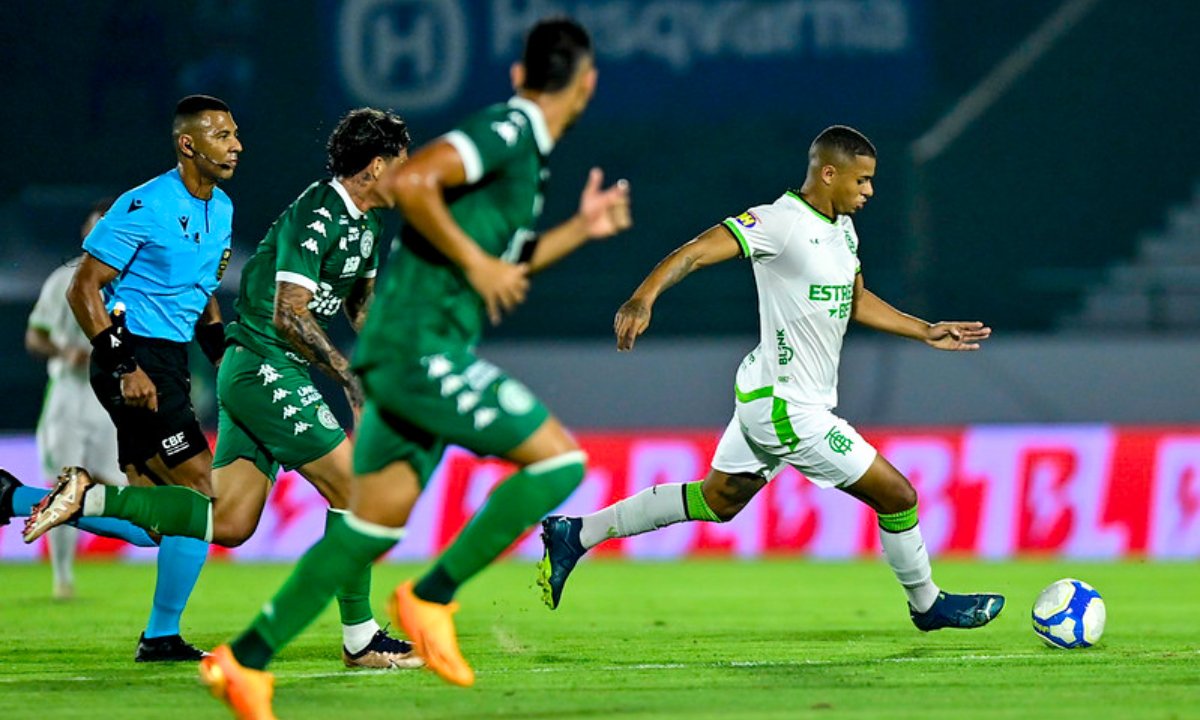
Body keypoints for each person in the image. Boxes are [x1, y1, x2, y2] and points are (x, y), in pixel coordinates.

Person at [197, 16, 631, 717]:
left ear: (522, 73)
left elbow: (501, 263)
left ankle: (245, 663)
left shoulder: (524, 159)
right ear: (588, 84)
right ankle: (430, 598)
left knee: (369, 521)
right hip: (419, 348)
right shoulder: (511, 131)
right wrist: (477, 262)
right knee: (558, 464)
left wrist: (579, 230)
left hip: (406, 351)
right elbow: (427, 178)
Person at [538, 125, 1005, 633]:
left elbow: (856, 298)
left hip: (769, 390)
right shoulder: (777, 222)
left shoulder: (843, 230)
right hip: (787, 406)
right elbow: (696, 250)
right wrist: (643, 297)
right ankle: (927, 604)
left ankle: (575, 534)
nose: (870, 191)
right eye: (863, 180)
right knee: (898, 496)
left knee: (717, 501)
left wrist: (923, 330)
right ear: (829, 174)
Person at [27, 108, 421, 669]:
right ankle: (359, 638)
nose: (412, 176)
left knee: (230, 522)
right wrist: (348, 376)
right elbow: (289, 313)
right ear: (377, 165)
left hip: (253, 367)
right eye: (404, 164)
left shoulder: (366, 221)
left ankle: (90, 500)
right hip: (262, 365)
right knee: (356, 493)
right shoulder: (319, 215)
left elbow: (360, 304)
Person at [22, 94, 242, 662]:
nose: (236, 145)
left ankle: (18, 496)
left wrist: (219, 351)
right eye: (221, 135)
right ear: (187, 144)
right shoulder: (142, 205)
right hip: (133, 358)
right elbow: (83, 288)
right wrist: (126, 365)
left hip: (170, 359)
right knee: (200, 494)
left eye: (236, 134)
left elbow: (203, 291)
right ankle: (160, 636)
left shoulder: (223, 209)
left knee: (155, 522)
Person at [21, 199, 127, 599]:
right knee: (65, 479)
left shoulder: (131, 284)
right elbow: (36, 334)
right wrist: (63, 351)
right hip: (69, 392)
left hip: (110, 397)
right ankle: (62, 577)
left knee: (117, 482)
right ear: (87, 233)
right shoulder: (62, 279)